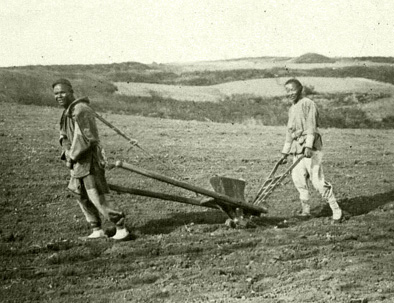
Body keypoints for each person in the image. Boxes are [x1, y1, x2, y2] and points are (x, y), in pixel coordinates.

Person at [53, 78, 131, 240]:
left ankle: (121, 227)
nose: (59, 96)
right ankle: (97, 229)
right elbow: (64, 136)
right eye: (56, 93)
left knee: (97, 194)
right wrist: (68, 155)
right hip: (77, 163)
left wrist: (72, 156)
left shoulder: (81, 110)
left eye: (62, 92)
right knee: (78, 193)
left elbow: (86, 139)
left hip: (89, 162)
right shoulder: (67, 112)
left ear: (71, 91)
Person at [279, 78, 343, 223]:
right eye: (287, 91)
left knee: (317, 181)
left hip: (311, 149)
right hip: (297, 150)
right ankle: (306, 210)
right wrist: (285, 153)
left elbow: (311, 126)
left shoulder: (308, 104)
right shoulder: (292, 108)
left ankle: (337, 210)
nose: (290, 93)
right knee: (298, 180)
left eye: (292, 90)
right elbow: (289, 133)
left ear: (300, 89)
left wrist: (308, 146)